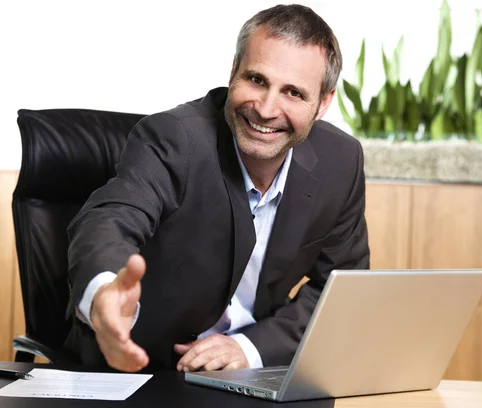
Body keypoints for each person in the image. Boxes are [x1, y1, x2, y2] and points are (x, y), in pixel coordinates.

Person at [64, 4, 369, 373]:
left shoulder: (341, 161)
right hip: (141, 368)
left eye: (293, 93)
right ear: (233, 72)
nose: (267, 109)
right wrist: (104, 292)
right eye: (256, 80)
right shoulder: (174, 138)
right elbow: (109, 217)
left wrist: (251, 347)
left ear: (323, 103)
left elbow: (341, 288)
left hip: (251, 374)